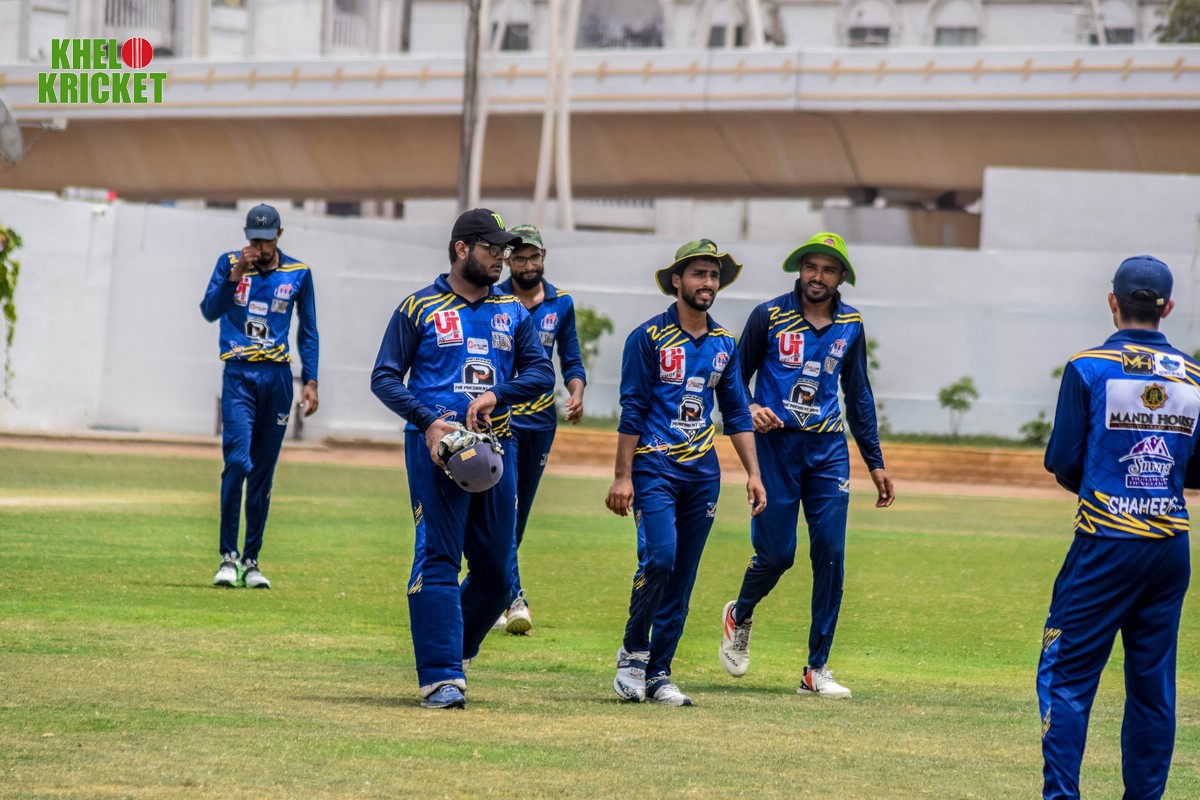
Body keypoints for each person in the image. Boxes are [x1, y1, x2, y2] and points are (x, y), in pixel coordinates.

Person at [370, 208, 555, 709]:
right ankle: (441, 678)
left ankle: (458, 651)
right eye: (491, 248)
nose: (501, 258)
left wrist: (499, 394)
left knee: (497, 574)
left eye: (504, 251)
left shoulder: (512, 311)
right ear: (461, 249)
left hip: (497, 448)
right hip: (436, 451)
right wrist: (427, 420)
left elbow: (542, 374)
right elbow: (384, 377)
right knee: (438, 558)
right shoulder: (418, 307)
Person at [1039, 255, 1197, 799]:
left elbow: (1062, 460)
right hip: (1170, 546)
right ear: (1167, 308)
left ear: (1113, 301)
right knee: (1153, 690)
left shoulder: (1088, 367)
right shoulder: (1194, 375)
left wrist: (1108, 488)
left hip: (1106, 542)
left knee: (1065, 677)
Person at [718, 231, 893, 698]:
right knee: (777, 555)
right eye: (812, 267)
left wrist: (874, 461)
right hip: (775, 449)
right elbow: (733, 380)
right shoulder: (768, 316)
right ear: (800, 269)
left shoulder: (851, 323)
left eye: (829, 269)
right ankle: (740, 612)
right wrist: (751, 407)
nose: (818, 276)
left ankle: (816, 669)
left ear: (841, 277)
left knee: (831, 554)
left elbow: (858, 394)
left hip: (828, 450)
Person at [606, 239, 766, 707]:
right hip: (653, 466)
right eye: (699, 274)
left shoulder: (724, 343)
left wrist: (754, 474)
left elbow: (736, 412)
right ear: (677, 280)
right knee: (660, 559)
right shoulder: (647, 338)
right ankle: (633, 654)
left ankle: (660, 672)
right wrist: (622, 476)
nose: (707, 283)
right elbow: (632, 409)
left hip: (702, 475)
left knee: (683, 574)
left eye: (714, 275)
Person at [199, 204, 319, 590]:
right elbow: (209, 310)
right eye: (254, 239)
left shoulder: (298, 272)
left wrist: (311, 380)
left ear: (279, 235)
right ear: (246, 235)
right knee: (237, 461)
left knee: (263, 473)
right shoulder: (229, 264)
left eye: (266, 240)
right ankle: (227, 557)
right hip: (239, 374)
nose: (260, 247)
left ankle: (251, 561)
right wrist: (236, 274)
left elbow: (308, 330)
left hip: (278, 379)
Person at [493, 224, 587, 635]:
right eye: (519, 258)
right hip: (503, 420)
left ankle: (489, 588)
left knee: (518, 518)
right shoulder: (494, 299)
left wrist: (577, 392)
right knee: (506, 507)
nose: (528, 265)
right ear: (508, 261)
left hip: (542, 421)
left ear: (543, 256)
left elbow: (572, 356)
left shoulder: (560, 303)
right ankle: (514, 599)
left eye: (534, 257)